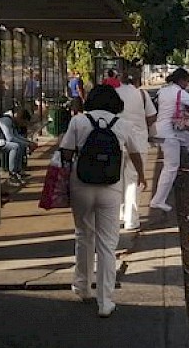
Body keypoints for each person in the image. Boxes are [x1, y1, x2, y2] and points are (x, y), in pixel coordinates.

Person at [59, 84, 146, 318]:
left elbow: (65, 152)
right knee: (107, 245)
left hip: (82, 184)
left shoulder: (78, 121)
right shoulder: (123, 124)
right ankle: (105, 301)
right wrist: (142, 177)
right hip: (110, 187)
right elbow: (136, 153)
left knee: (83, 235)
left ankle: (82, 286)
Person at [149, 67, 189, 212]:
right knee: (171, 167)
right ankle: (158, 200)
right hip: (169, 133)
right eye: (187, 81)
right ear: (181, 80)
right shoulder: (178, 92)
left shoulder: (163, 90)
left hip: (163, 130)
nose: (188, 84)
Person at [115, 72, 157, 231]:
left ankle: (118, 214)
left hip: (117, 142)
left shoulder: (113, 94)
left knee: (117, 180)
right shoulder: (142, 94)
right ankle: (131, 220)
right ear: (137, 81)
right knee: (133, 181)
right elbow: (152, 117)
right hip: (138, 143)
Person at [0, 108, 37, 185]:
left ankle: (18, 171)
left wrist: (29, 142)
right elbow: (10, 138)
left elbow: (16, 136)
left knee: (20, 145)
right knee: (15, 146)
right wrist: (28, 144)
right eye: (23, 122)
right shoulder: (6, 120)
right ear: (20, 118)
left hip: (2, 141)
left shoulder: (12, 120)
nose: (22, 124)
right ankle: (12, 174)